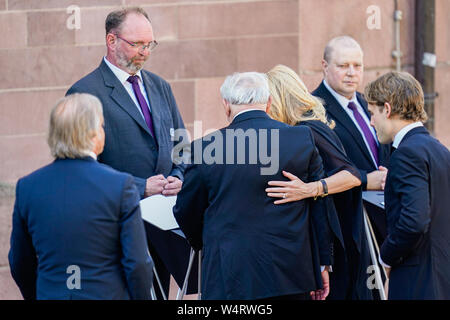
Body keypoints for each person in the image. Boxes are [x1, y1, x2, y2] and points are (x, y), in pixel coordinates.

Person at [66, 7, 192, 298]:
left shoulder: (160, 86)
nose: (145, 52)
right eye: (137, 44)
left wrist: (178, 175)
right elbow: (80, 171)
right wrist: (140, 187)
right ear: (111, 41)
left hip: (162, 227)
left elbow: (182, 145)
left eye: (150, 44)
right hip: (114, 228)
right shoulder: (84, 93)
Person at [173, 72, 333, 300]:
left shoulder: (205, 148)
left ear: (226, 105)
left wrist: (207, 241)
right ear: (268, 103)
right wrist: (322, 264)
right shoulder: (301, 138)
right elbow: (319, 206)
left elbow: (186, 210)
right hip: (292, 274)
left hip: (228, 273)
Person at [8, 93, 154, 300]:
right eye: (102, 126)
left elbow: (20, 262)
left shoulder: (28, 187)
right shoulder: (120, 185)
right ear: (92, 134)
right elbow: (137, 263)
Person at [265, 64, 373, 300]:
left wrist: (309, 189)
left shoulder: (310, 128)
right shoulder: (298, 129)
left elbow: (351, 175)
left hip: (339, 241)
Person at [365, 71, 450, 300]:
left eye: (373, 113)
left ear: (388, 109)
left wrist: (386, 257)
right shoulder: (438, 149)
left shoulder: (407, 154)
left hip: (418, 282)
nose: (371, 122)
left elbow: (414, 221)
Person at [312, 36, 391, 248]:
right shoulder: (312, 111)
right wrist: (365, 179)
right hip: (347, 222)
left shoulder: (368, 103)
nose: (351, 73)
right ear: (325, 67)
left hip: (386, 219)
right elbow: (318, 167)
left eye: (357, 66)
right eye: (343, 66)